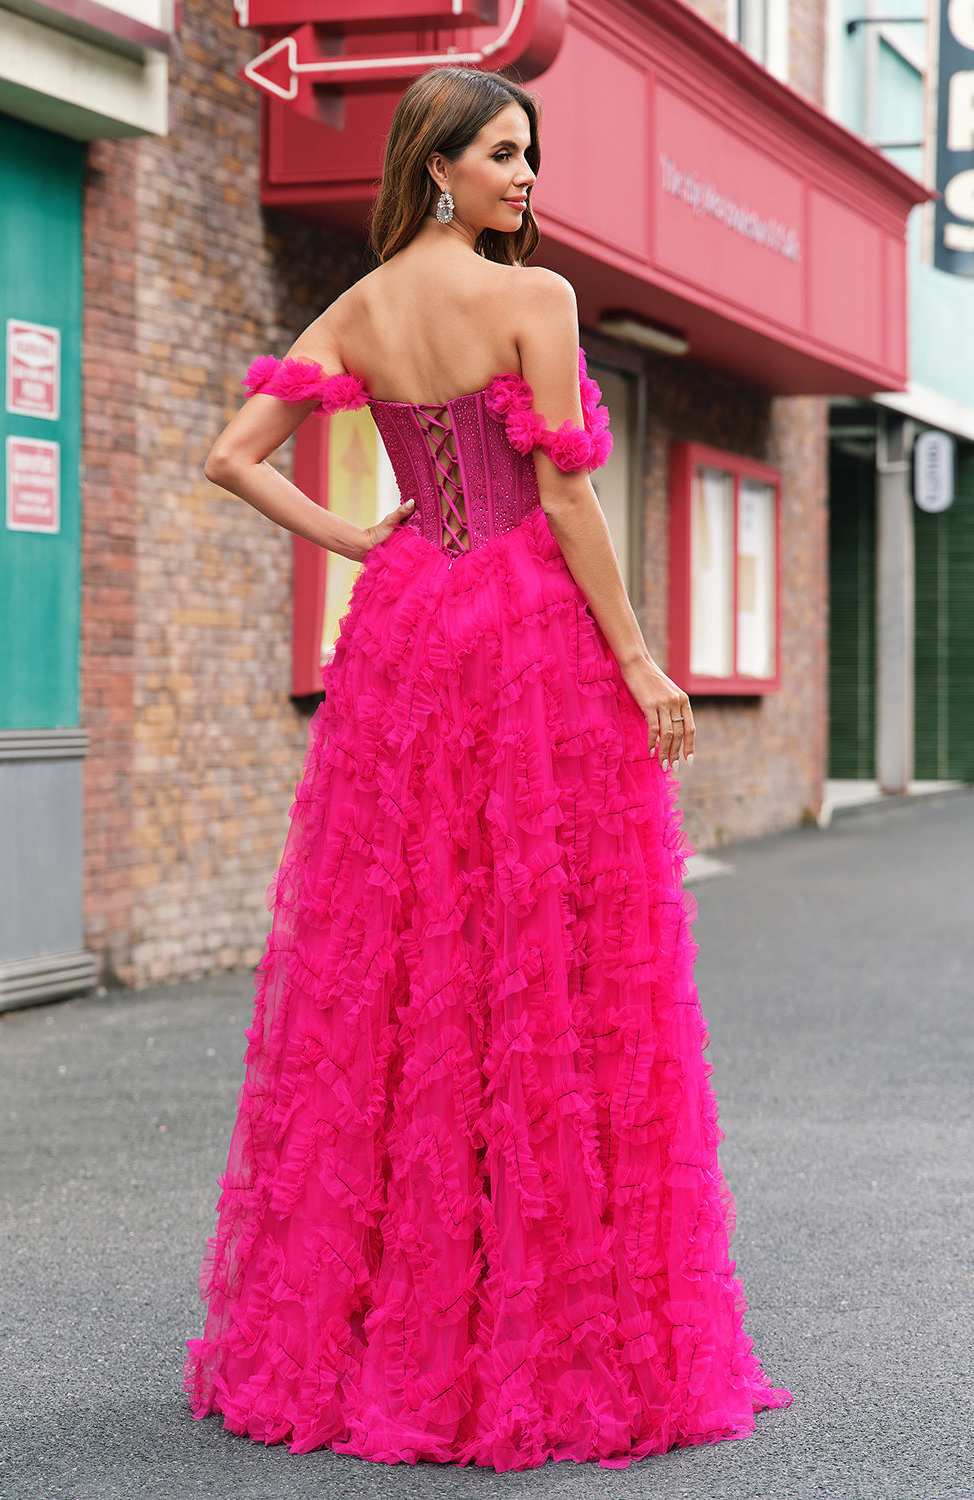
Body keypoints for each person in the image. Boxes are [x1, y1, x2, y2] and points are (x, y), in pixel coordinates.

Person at [184, 65, 791, 1472]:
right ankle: (538, 1315)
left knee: (403, 957)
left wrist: (352, 545)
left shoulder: (361, 307)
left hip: (405, 631)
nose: (527, 178)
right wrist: (639, 660)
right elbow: (566, 491)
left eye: (531, 155)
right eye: (503, 155)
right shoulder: (536, 300)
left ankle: (386, 1322)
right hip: (524, 631)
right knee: (550, 953)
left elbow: (231, 452)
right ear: (437, 163)